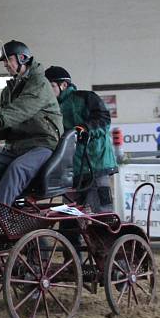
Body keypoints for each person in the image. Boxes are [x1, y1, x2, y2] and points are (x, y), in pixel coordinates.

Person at [0, 40, 63, 208]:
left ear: (22, 58)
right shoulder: (8, 90)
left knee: (17, 168)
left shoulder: (39, 83)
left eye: (7, 59)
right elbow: (7, 125)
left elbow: (22, 108)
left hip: (42, 144)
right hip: (16, 147)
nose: (5, 64)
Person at [44, 66, 117, 212]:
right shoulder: (50, 108)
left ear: (63, 85)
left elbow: (103, 120)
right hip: (71, 170)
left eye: (50, 86)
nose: (47, 91)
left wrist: (85, 128)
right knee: (69, 215)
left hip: (96, 165)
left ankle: (105, 234)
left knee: (102, 212)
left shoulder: (86, 97)